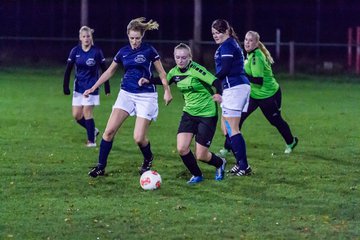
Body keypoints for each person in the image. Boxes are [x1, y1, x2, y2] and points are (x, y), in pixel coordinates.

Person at [84, 17, 172, 178]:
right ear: (128, 36)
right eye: (131, 38)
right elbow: (110, 71)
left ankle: (148, 158)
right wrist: (93, 87)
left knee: (139, 138)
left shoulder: (149, 50)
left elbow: (162, 73)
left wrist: (167, 90)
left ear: (142, 37)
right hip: (126, 93)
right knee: (109, 131)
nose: (134, 41)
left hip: (146, 96)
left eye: (137, 38)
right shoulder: (123, 52)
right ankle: (100, 167)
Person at [140, 43, 226, 184]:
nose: (180, 60)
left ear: (189, 58)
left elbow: (216, 81)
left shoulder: (197, 69)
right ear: (174, 57)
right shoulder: (174, 72)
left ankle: (220, 163)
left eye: (184, 57)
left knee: (201, 155)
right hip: (189, 113)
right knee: (182, 148)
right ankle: (197, 175)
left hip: (207, 114)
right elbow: (164, 80)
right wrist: (148, 80)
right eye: (178, 57)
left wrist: (219, 94)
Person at [219, 30, 298, 156]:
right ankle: (227, 148)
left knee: (275, 121)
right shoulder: (250, 55)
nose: (247, 43)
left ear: (256, 43)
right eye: (246, 40)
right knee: (238, 120)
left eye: (251, 41)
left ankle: (291, 141)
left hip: (268, 95)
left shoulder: (256, 57)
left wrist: (241, 75)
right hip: (254, 95)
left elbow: (258, 81)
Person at [211, 19, 252, 176]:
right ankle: (240, 163)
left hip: (236, 87)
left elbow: (226, 69)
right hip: (233, 88)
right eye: (213, 33)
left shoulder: (228, 45)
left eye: (218, 32)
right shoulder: (228, 44)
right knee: (226, 129)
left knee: (232, 129)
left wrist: (209, 79)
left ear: (227, 31)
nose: (216, 35)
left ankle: (244, 166)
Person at [63, 26, 111, 147]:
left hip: (92, 87)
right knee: (77, 115)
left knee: (87, 111)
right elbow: (68, 70)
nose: (86, 39)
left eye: (88, 36)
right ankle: (93, 130)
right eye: (84, 36)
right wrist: (65, 86)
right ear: (80, 38)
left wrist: (107, 87)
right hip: (78, 87)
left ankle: (91, 141)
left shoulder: (96, 52)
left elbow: (105, 70)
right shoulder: (75, 51)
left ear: (91, 37)